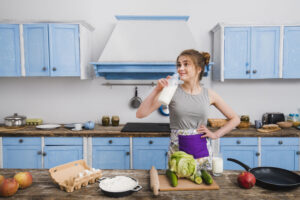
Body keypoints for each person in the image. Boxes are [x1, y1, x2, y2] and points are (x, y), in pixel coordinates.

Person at [136, 49, 240, 167]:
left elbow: (235, 119)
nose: (180, 68)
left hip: (202, 155)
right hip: (178, 156)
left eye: (186, 64)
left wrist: (215, 135)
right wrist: (156, 90)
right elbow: (141, 114)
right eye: (179, 65)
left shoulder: (209, 94)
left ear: (199, 69)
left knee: (203, 183)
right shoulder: (171, 91)